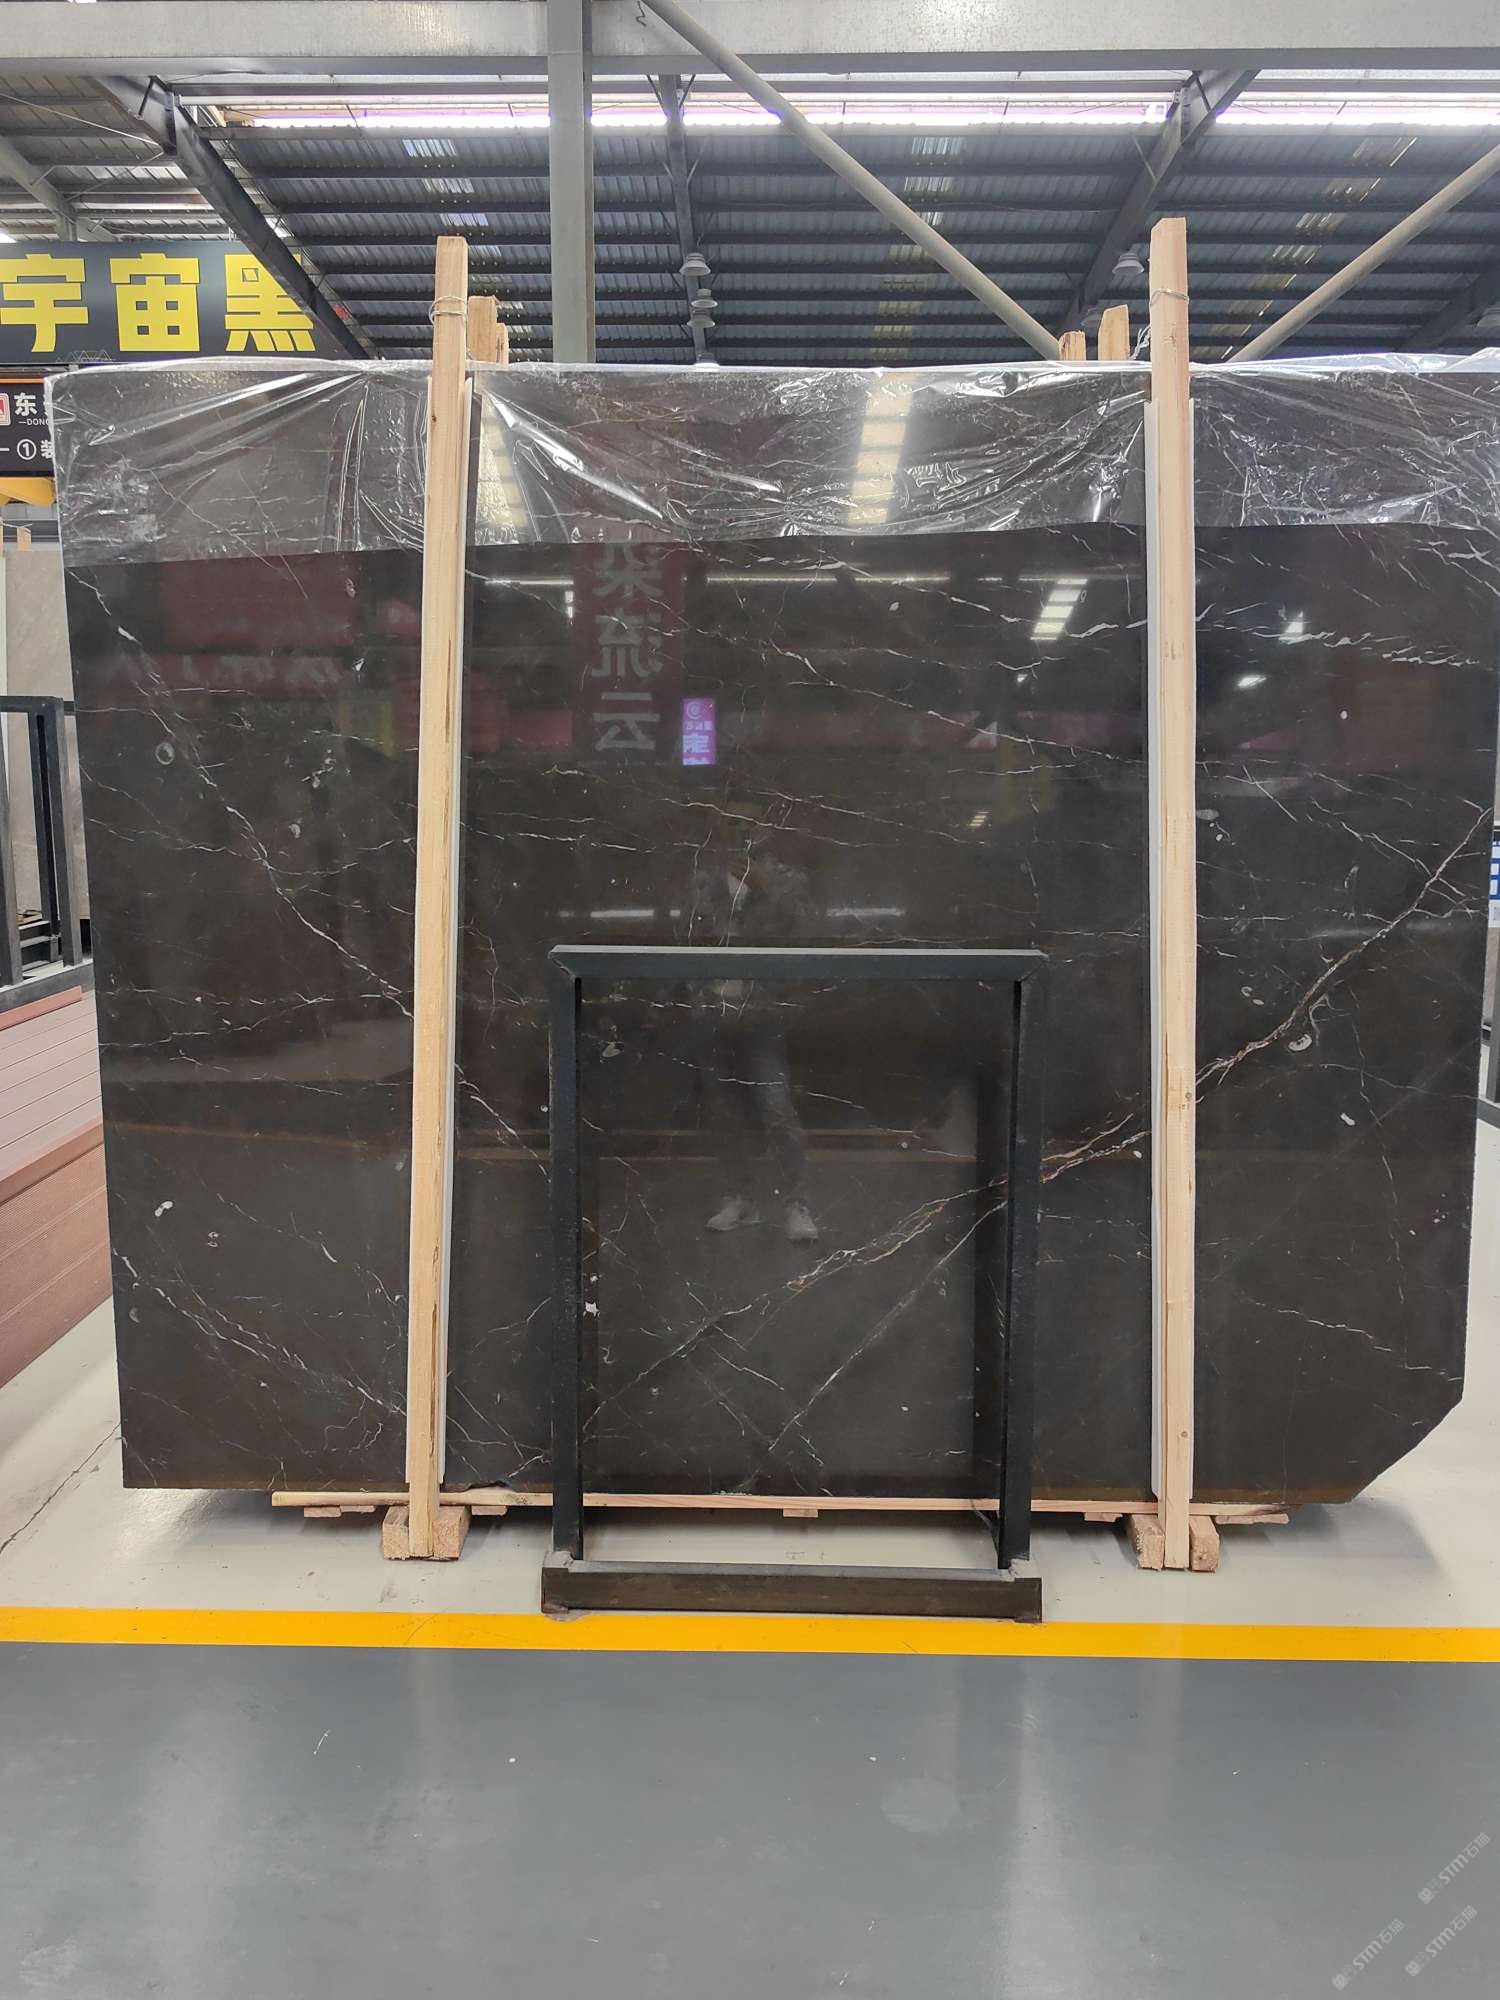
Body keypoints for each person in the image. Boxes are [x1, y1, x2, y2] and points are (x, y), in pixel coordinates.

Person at [687, 835, 820, 1244]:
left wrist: (764, 888)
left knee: (776, 1109)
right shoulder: (704, 879)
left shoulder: (785, 879)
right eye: (732, 822)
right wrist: (694, 995)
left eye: (749, 823)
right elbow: (686, 936)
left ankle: (796, 1203)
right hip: (714, 1010)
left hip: (762, 1013)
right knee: (723, 1112)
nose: (740, 833)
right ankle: (740, 1198)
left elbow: (804, 931)